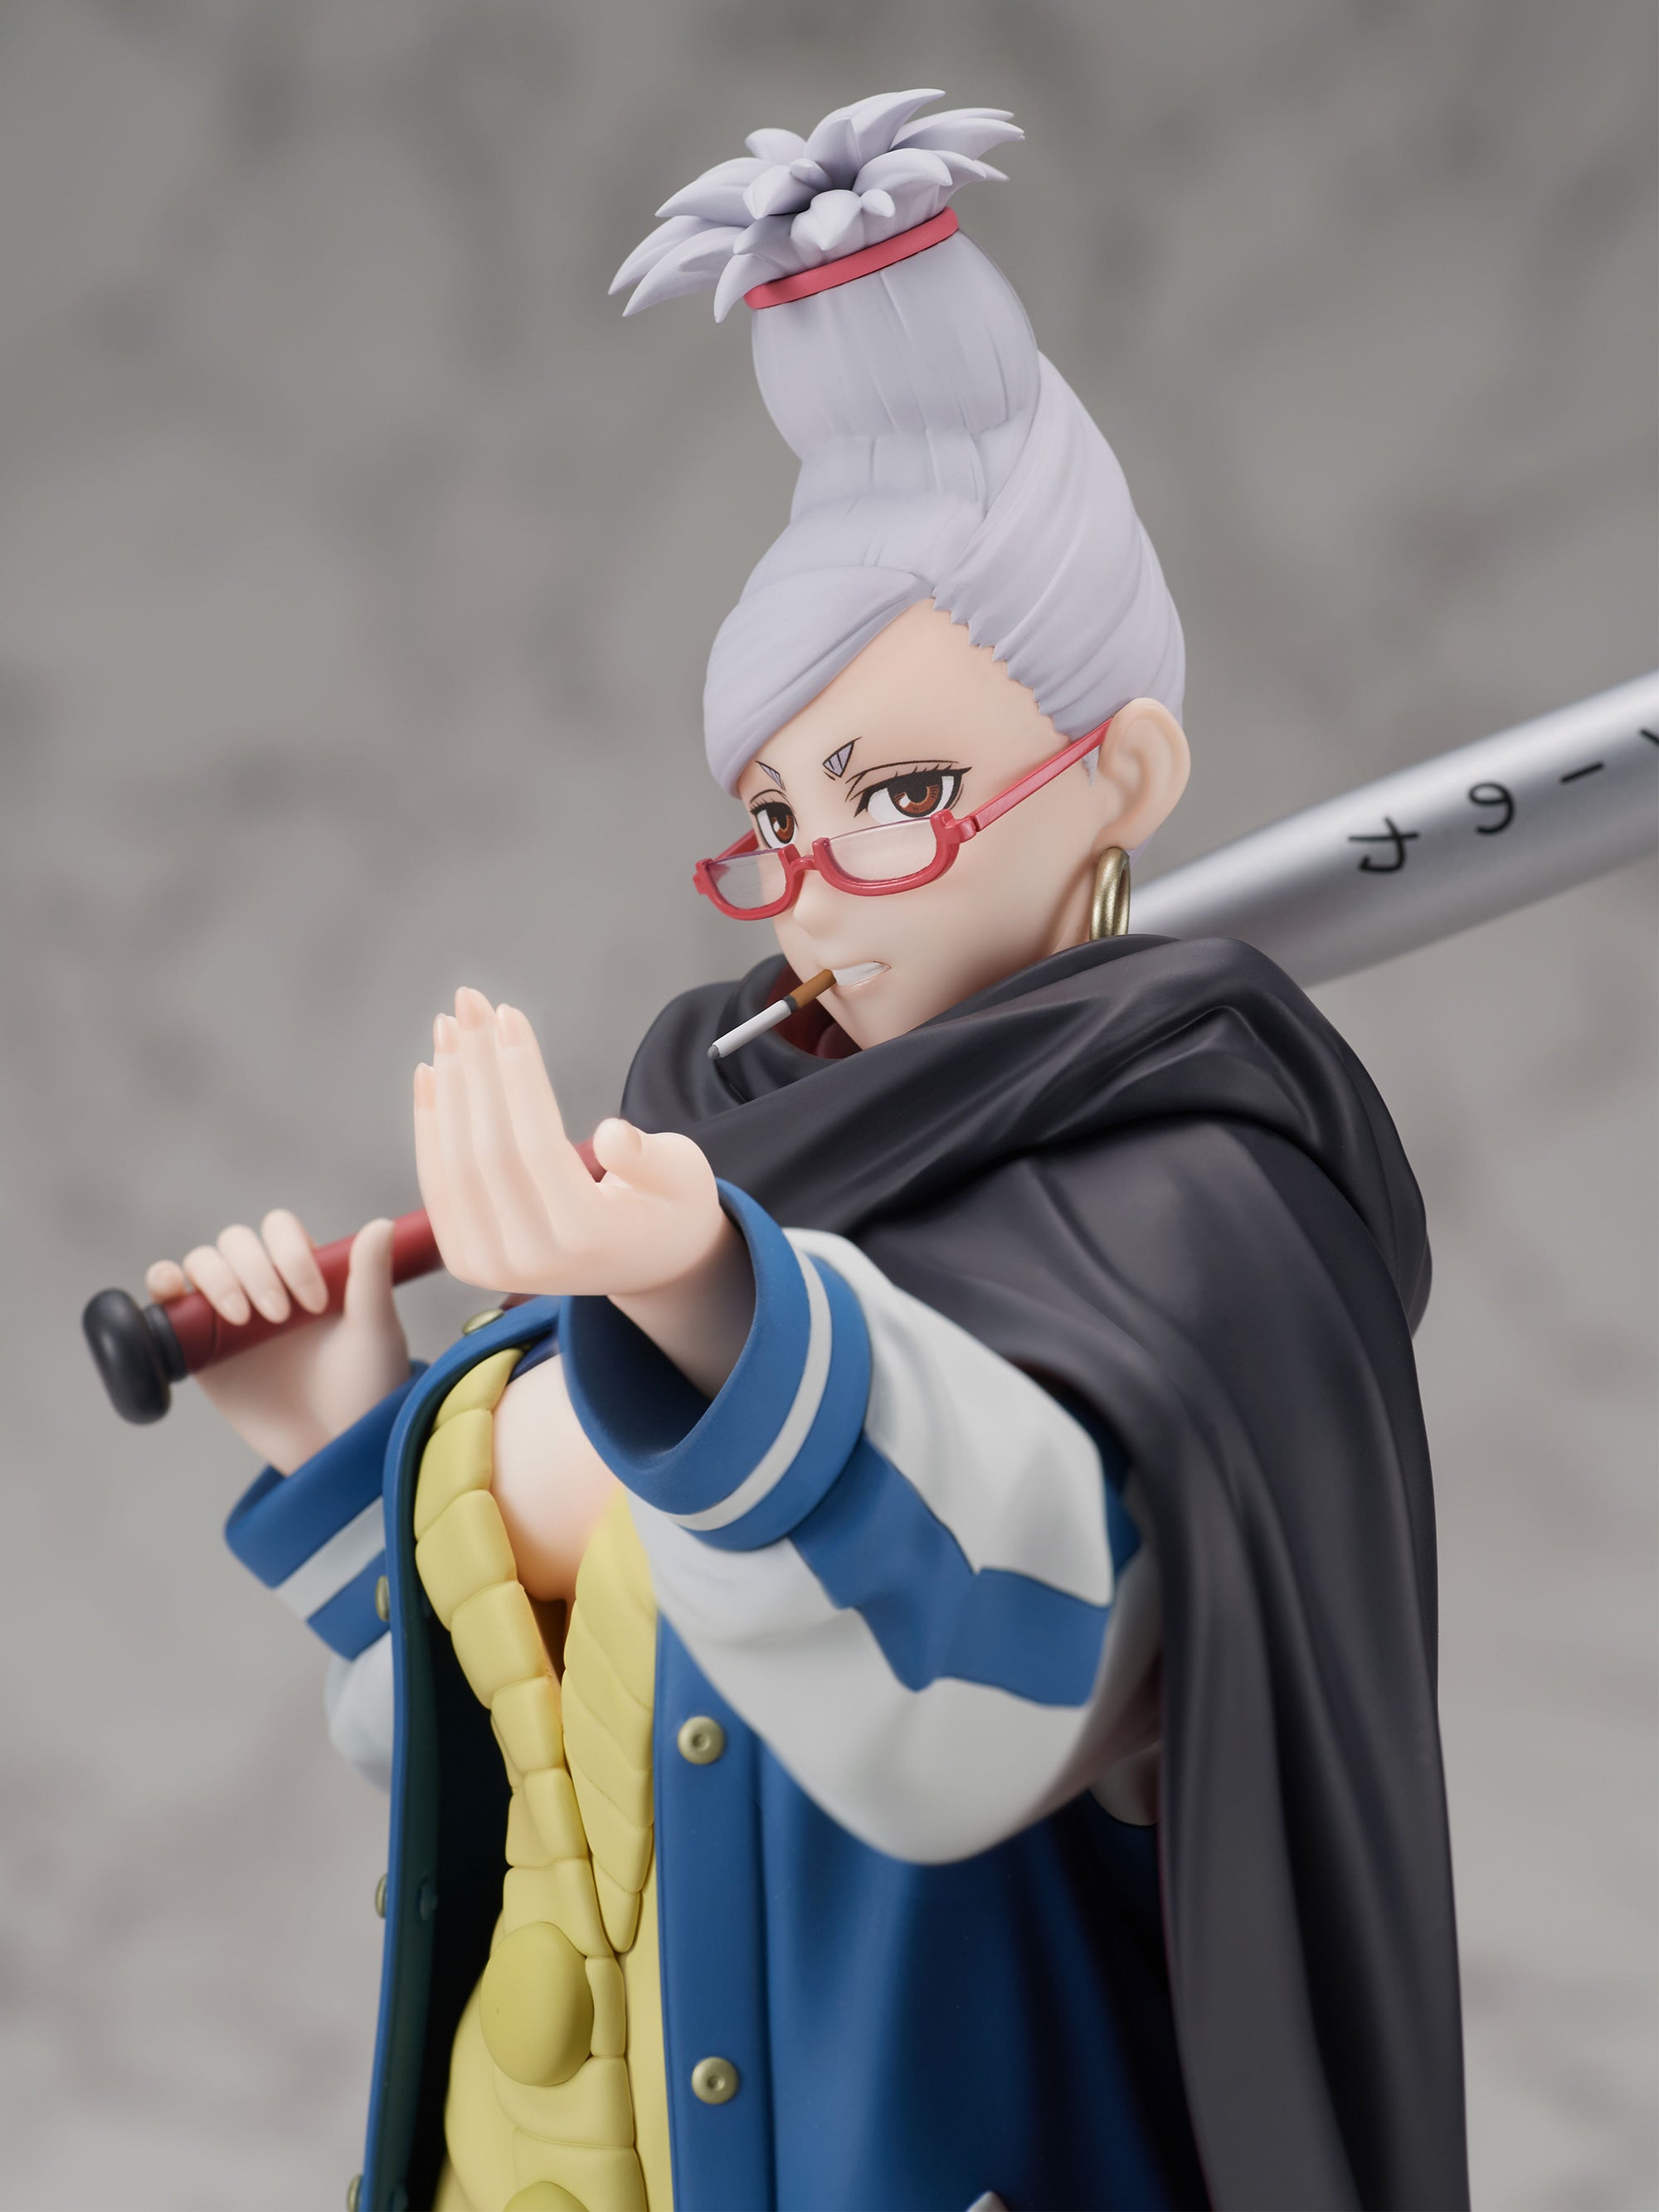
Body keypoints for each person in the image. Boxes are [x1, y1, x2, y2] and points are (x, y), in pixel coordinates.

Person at [148, 91, 1468, 2212]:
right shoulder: (734, 1147)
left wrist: (709, 1305)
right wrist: (357, 1445)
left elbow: (970, 1698)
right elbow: (555, 1788)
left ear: (1119, 770)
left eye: (898, 795)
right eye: (775, 817)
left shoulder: (1192, 1219)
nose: (816, 882)